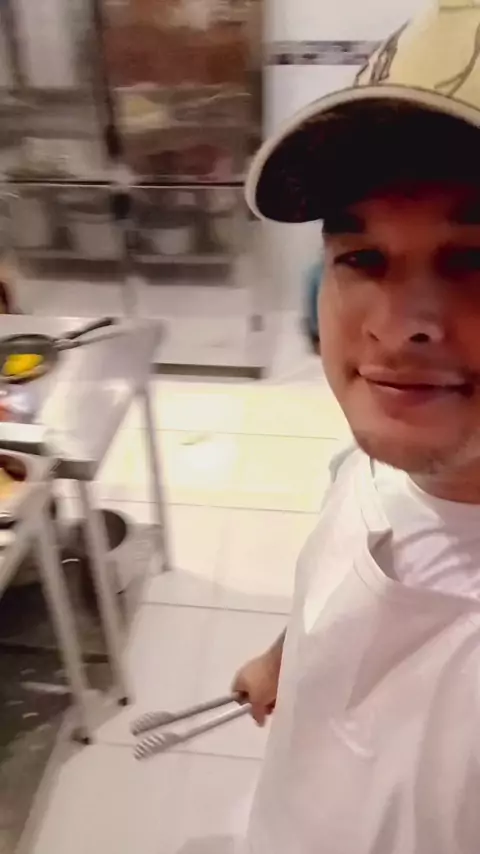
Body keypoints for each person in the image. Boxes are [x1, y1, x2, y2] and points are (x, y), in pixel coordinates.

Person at [233, 2, 480, 852]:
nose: (397, 328)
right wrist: (287, 659)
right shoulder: (379, 459)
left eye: (474, 259)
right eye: (361, 258)